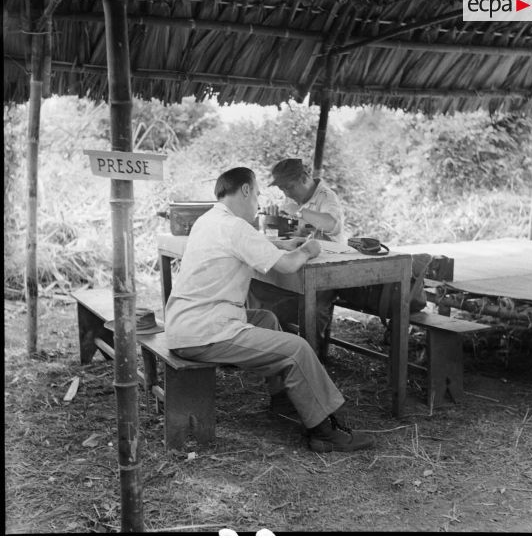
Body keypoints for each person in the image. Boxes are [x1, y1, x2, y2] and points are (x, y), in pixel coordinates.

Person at [165, 166, 375, 452]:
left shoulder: (210, 220)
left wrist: (282, 243)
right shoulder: (235, 227)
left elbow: (246, 245)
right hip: (204, 332)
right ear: (246, 190)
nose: (258, 202)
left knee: (265, 318)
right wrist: (307, 250)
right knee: (297, 348)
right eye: (258, 194)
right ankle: (324, 431)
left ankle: (283, 399)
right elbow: (288, 266)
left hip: (185, 323)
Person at [248, 158, 431, 354]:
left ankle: (312, 357)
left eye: (289, 187)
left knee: (314, 307)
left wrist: (301, 212)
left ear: (303, 178)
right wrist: (274, 218)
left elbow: (330, 224)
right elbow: (292, 232)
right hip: (302, 263)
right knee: (258, 285)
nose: (286, 193)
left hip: (326, 271)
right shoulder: (293, 199)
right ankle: (273, 346)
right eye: (282, 189)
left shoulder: (326, 196)